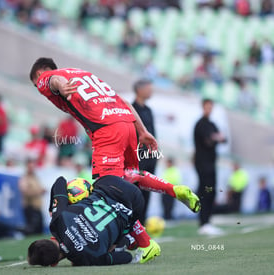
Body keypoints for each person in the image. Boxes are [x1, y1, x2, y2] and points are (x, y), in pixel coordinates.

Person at [29, 57, 200, 217]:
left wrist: (62, 86)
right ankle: (174, 189)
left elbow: (53, 80)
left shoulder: (47, 75)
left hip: (106, 130)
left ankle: (142, 243)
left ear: (38, 74)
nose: (40, 89)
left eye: (36, 86)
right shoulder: (84, 74)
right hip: (126, 124)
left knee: (107, 188)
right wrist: (142, 131)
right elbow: (124, 102)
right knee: (129, 175)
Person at [28, 175, 160, 266]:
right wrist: (53, 208)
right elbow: (60, 181)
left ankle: (130, 239)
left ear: (54, 263)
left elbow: (126, 257)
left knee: (110, 248)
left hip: (135, 202)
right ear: (50, 239)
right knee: (71, 204)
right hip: (108, 183)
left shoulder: (89, 259)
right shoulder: (57, 222)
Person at [194, 99, 227, 235]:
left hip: (211, 163)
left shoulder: (212, 124)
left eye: (211, 107)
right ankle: (203, 222)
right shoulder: (200, 124)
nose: (209, 109)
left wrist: (216, 137)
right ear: (203, 107)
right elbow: (208, 140)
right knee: (205, 191)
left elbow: (223, 139)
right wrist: (215, 138)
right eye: (207, 107)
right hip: (203, 164)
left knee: (211, 191)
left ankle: (208, 221)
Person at [132, 79, 157, 224]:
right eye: (149, 88)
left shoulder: (148, 110)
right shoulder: (131, 109)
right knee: (136, 193)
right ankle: (134, 226)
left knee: (148, 191)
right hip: (137, 158)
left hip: (150, 158)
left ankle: (143, 224)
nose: (151, 91)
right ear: (139, 90)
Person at [18, 159, 46, 235]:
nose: (32, 168)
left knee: (39, 230)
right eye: (30, 167)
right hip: (30, 207)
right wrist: (38, 192)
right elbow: (24, 191)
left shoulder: (35, 177)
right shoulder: (24, 178)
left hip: (37, 207)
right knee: (31, 230)